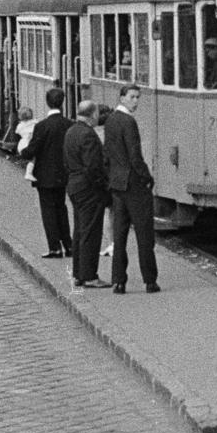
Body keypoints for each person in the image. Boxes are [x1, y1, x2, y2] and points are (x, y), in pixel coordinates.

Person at [104, 83, 159, 294]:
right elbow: (135, 156)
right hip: (134, 184)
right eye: (132, 97)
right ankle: (150, 280)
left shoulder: (110, 120)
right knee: (144, 234)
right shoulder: (129, 122)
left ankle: (118, 280)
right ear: (122, 97)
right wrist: (147, 177)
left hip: (117, 184)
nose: (136, 101)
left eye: (138, 97)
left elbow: (108, 153)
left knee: (120, 234)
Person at [20, 87, 74, 259]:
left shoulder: (42, 126)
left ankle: (54, 248)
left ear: (47, 102)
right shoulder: (68, 125)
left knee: (48, 212)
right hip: (63, 175)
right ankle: (69, 245)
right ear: (62, 102)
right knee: (62, 209)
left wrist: (22, 152)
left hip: (44, 176)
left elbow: (33, 149)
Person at [64, 99, 110, 288]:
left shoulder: (71, 131)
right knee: (91, 232)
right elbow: (93, 167)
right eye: (97, 113)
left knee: (80, 231)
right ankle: (90, 276)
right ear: (92, 115)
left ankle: (78, 274)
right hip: (88, 189)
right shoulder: (88, 135)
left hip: (74, 185)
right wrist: (103, 186)